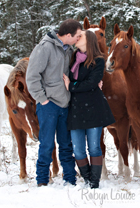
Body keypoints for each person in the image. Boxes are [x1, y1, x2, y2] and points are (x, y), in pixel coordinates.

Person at [26, 19, 83, 186]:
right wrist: (42, 100)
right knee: (47, 145)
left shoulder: (69, 49)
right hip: (48, 105)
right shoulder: (44, 48)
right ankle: (42, 180)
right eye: (77, 36)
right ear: (67, 35)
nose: (78, 39)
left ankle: (70, 180)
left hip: (64, 105)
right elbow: (32, 77)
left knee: (66, 145)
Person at [65, 30, 115, 188]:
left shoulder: (99, 60)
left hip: (93, 108)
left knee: (94, 147)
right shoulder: (73, 58)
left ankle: (94, 182)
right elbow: (85, 84)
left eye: (81, 37)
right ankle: (86, 178)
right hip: (75, 109)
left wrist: (71, 86)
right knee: (78, 150)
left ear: (89, 41)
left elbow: (91, 83)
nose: (77, 38)